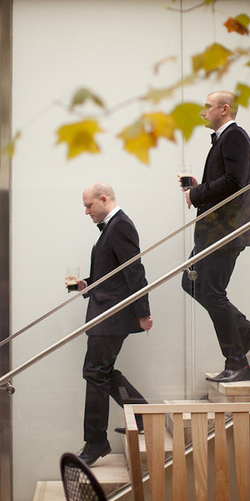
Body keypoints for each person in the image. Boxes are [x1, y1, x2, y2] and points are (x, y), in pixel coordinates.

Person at [180, 90, 250, 383]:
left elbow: (235, 182)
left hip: (225, 231)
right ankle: (244, 329)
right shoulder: (225, 139)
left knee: (212, 292)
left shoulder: (234, 136)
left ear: (225, 109)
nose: (203, 111)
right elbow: (228, 181)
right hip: (216, 230)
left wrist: (196, 193)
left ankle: (237, 363)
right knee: (191, 284)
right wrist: (199, 187)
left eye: (208, 106)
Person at [67, 182, 153, 466]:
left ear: (103, 199)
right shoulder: (112, 227)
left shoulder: (121, 226)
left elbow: (134, 270)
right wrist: (86, 284)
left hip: (111, 315)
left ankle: (96, 442)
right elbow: (110, 275)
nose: (86, 212)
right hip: (105, 313)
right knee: (101, 371)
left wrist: (143, 312)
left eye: (89, 205)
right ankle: (142, 415)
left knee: (95, 372)